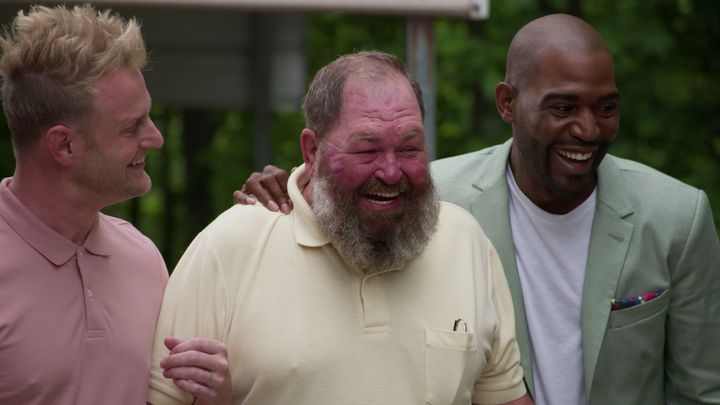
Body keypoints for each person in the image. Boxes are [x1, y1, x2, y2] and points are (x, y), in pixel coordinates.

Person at [234, 14, 720, 405]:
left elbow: (700, 391)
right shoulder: (432, 198)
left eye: (606, 108)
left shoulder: (678, 216)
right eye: (562, 108)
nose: (588, 129)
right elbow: (343, 207)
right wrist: (294, 185)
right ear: (507, 103)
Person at [148, 51, 533, 405]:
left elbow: (504, 396)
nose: (391, 171)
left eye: (409, 148)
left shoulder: (464, 241)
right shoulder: (228, 247)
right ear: (312, 151)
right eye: (367, 150)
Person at [0, 5, 228, 404]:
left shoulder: (142, 258)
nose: (155, 138)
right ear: (64, 145)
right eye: (132, 127)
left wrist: (213, 393)